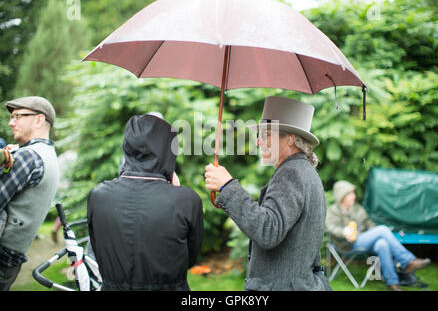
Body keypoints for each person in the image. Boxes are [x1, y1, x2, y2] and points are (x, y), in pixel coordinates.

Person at [205, 96, 331, 291]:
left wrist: (227, 186)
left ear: (289, 139)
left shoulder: (292, 173)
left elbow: (268, 231)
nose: (258, 141)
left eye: (266, 135)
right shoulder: (304, 171)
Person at [87, 114, 203, 291]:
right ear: (168, 150)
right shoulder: (187, 200)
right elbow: (189, 258)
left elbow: (98, 249)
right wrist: (177, 191)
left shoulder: (98, 195)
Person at [326, 180, 431, 291]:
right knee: (382, 229)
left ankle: (392, 283)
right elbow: (331, 227)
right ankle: (407, 260)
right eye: (350, 194)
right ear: (342, 196)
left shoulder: (358, 209)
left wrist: (372, 234)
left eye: (353, 193)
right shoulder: (333, 211)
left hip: (363, 241)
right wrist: (344, 232)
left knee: (382, 244)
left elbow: (370, 224)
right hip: (346, 245)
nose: (354, 196)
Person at [0, 96, 59, 291]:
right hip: (12, 257)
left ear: (39, 120)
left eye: (17, 116)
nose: (11, 122)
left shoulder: (28, 156)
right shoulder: (48, 154)